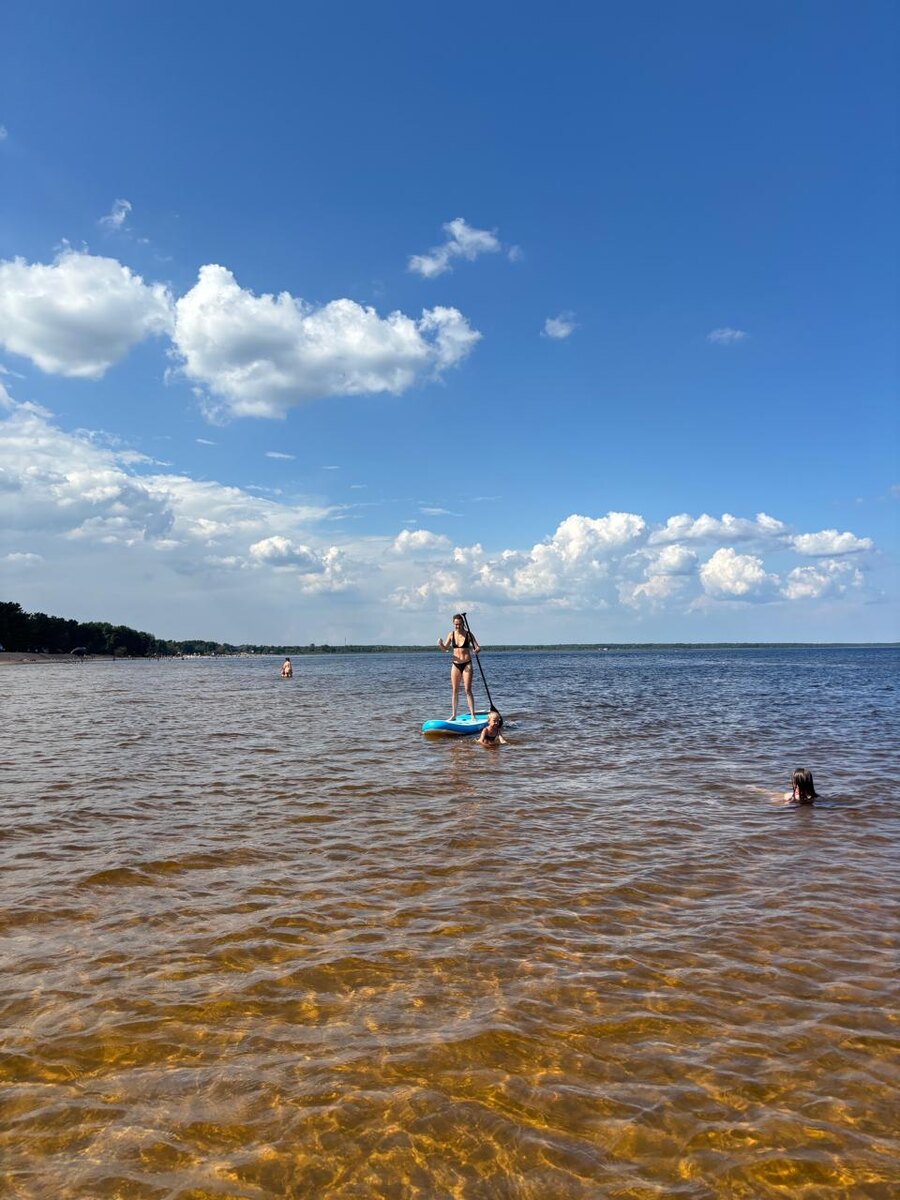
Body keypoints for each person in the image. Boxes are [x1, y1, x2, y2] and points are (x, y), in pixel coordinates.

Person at [437, 613, 480, 719]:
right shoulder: (451, 634)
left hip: (467, 664)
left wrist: (476, 650)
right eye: (456, 624)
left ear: (463, 623)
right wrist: (440, 644)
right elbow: (445, 648)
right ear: (453, 624)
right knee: (454, 690)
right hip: (455, 664)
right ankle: (454, 715)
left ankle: (473, 715)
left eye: (460, 624)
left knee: (467, 690)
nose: (458, 626)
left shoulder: (468, 634)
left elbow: (477, 647)